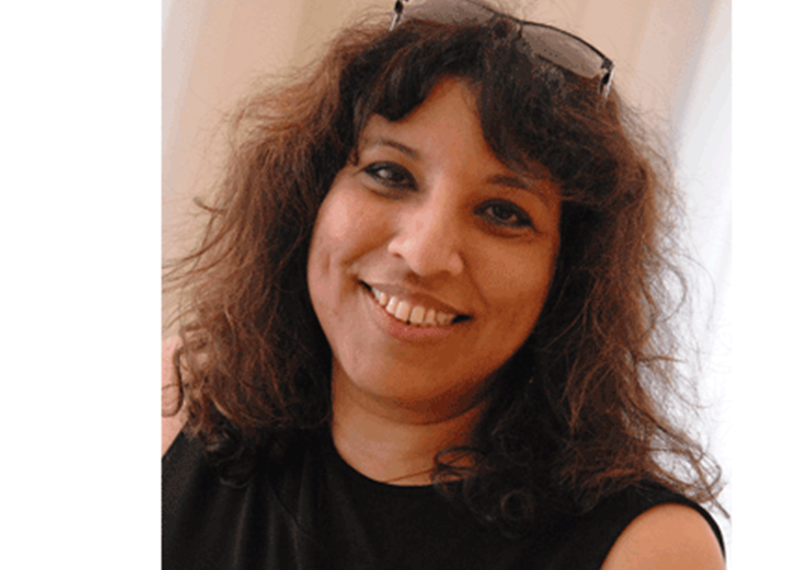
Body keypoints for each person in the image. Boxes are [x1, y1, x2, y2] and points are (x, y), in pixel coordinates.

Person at [162, 0, 727, 568]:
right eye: (389, 174)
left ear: (568, 277)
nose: (423, 254)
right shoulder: (176, 405)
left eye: (503, 212)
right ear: (309, 196)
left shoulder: (648, 548)